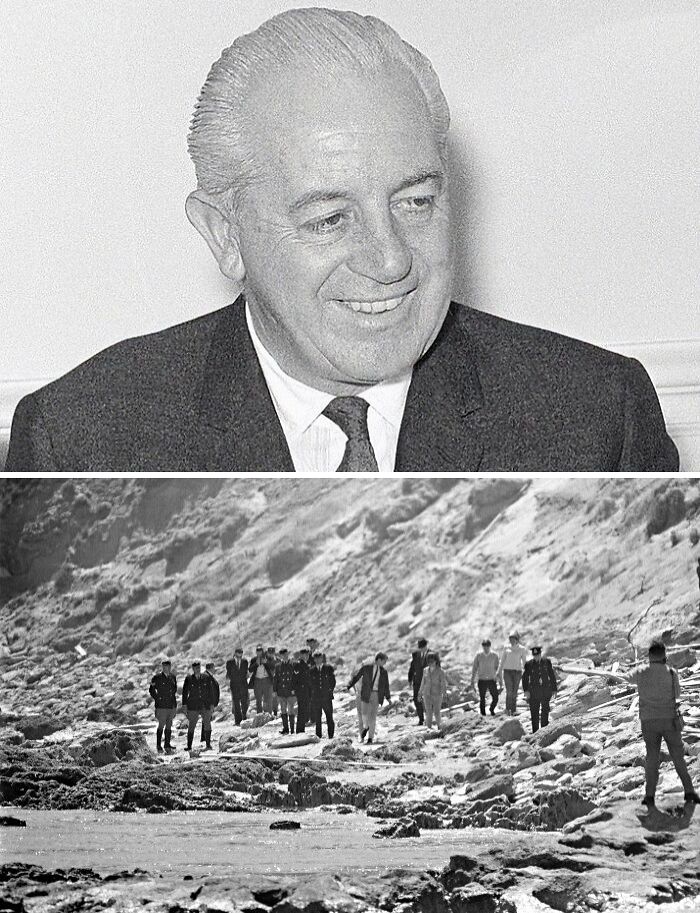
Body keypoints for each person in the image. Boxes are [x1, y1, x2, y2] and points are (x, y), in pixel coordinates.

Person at [5, 7, 677, 473]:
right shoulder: (84, 441)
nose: (389, 259)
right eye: (329, 219)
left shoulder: (595, 418)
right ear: (224, 234)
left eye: (416, 201)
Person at [624, 640, 699, 808]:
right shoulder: (671, 673)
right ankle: (689, 791)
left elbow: (626, 678)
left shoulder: (641, 671)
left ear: (649, 656)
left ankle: (649, 796)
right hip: (669, 720)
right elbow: (678, 695)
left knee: (652, 758)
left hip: (649, 722)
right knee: (678, 757)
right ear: (664, 655)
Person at [347, 652, 392, 744]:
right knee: (363, 715)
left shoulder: (384, 672)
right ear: (379, 660)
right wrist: (348, 686)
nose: (385, 663)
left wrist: (388, 698)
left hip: (376, 695)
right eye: (384, 661)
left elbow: (386, 686)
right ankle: (365, 729)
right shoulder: (366, 668)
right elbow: (356, 677)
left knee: (373, 717)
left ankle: (370, 738)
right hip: (365, 694)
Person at [182, 660, 217, 751]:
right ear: (193, 669)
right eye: (196, 668)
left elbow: (211, 691)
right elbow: (185, 693)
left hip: (205, 705)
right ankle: (189, 746)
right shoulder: (189, 679)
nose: (197, 669)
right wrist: (184, 705)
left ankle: (208, 745)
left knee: (207, 724)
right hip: (193, 705)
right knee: (192, 725)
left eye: (199, 667)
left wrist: (212, 704)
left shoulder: (206, 677)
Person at [522, 646, 558, 733]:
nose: (536, 657)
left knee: (545, 710)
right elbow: (525, 678)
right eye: (534, 656)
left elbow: (552, 675)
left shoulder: (546, 662)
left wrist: (554, 689)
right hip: (533, 691)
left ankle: (544, 731)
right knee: (534, 712)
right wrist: (526, 690)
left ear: (540, 654)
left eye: (537, 655)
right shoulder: (529, 664)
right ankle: (535, 732)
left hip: (545, 690)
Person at [148, 659, 178, 754]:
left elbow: (174, 689)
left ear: (170, 667)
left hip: (171, 705)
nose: (167, 668)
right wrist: (157, 698)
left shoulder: (173, 677)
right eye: (164, 666)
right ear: (162, 667)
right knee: (161, 725)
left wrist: (174, 705)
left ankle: (167, 744)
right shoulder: (157, 677)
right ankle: (158, 745)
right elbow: (151, 690)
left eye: (168, 666)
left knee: (169, 725)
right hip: (161, 706)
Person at [498, 631, 529, 716]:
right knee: (509, 691)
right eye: (510, 639)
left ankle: (514, 710)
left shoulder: (522, 649)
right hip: (507, 672)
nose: (511, 640)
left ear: (516, 640)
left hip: (517, 673)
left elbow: (524, 662)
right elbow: (502, 660)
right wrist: (499, 671)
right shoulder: (506, 648)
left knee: (514, 692)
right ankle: (508, 710)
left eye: (513, 639)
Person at [309, 651, 336, 738]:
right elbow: (310, 684)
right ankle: (318, 736)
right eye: (316, 658)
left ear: (322, 658)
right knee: (318, 718)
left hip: (326, 697)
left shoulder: (328, 668)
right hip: (316, 697)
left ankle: (331, 735)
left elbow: (333, 681)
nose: (318, 660)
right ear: (314, 659)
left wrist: (330, 690)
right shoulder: (311, 670)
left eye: (319, 658)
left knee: (329, 717)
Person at [418, 652, 447, 730]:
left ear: (436, 661)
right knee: (428, 712)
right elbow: (423, 682)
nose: (430, 663)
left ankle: (440, 727)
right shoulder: (425, 670)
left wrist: (445, 694)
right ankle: (429, 728)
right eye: (428, 662)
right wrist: (419, 693)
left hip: (437, 695)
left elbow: (443, 684)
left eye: (432, 661)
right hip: (426, 694)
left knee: (437, 712)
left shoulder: (441, 671)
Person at [273, 647, 298, 735]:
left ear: (288, 654)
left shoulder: (293, 664)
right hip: (281, 691)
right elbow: (275, 679)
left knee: (291, 710)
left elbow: (296, 678)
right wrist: (274, 690)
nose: (284, 656)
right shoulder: (278, 666)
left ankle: (292, 729)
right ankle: (285, 729)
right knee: (283, 710)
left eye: (285, 654)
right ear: (280, 656)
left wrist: (295, 690)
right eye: (282, 655)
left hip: (291, 691)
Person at [471, 639, 500, 716]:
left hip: (492, 680)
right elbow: (474, 668)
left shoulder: (494, 655)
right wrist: (472, 681)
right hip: (482, 680)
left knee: (495, 697)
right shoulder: (478, 656)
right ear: (482, 646)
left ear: (490, 646)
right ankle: (483, 715)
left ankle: (491, 709)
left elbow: (498, 669)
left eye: (487, 646)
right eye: (484, 646)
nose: (485, 647)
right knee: (482, 699)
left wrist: (500, 681)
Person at [408, 637, 429, 725]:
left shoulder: (432, 654)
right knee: (417, 700)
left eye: (423, 647)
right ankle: (421, 719)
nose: (421, 649)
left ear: (426, 646)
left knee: (428, 700)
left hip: (428, 681)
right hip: (417, 681)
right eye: (420, 648)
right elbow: (412, 668)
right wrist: (410, 680)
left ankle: (429, 718)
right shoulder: (415, 655)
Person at [225, 647, 249, 725]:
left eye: (241, 652)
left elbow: (246, 673)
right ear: (235, 653)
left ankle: (244, 716)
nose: (240, 654)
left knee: (244, 702)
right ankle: (238, 720)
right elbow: (228, 673)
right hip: (234, 685)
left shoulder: (245, 661)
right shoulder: (229, 662)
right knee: (236, 703)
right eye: (239, 652)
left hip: (243, 685)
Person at [248, 646, 275, 714]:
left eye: (260, 652)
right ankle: (259, 715)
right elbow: (250, 670)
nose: (259, 653)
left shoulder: (267, 658)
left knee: (267, 699)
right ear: (256, 652)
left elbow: (273, 667)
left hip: (267, 681)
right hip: (257, 681)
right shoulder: (254, 659)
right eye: (258, 652)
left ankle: (268, 715)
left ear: (262, 652)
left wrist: (266, 663)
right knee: (258, 700)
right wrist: (256, 664)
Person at [199, 662, 220, 748]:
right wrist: (210, 703)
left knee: (206, 720)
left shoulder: (208, 675)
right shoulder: (206, 676)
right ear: (211, 668)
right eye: (214, 667)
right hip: (207, 704)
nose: (215, 669)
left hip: (208, 704)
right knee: (207, 721)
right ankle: (207, 742)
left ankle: (204, 738)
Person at [293, 648, 312, 733]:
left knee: (304, 709)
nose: (307, 656)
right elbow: (294, 678)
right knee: (301, 710)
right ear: (301, 655)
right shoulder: (298, 664)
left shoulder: (306, 664)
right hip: (301, 691)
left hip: (306, 690)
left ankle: (302, 729)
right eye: (306, 654)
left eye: (308, 654)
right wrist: (295, 690)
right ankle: (299, 730)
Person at [266, 646, 279, 717]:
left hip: (276, 681)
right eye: (269, 653)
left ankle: (275, 712)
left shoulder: (278, 660)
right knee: (269, 698)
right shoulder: (266, 661)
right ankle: (269, 713)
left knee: (275, 698)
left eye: (272, 653)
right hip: (268, 681)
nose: (271, 654)